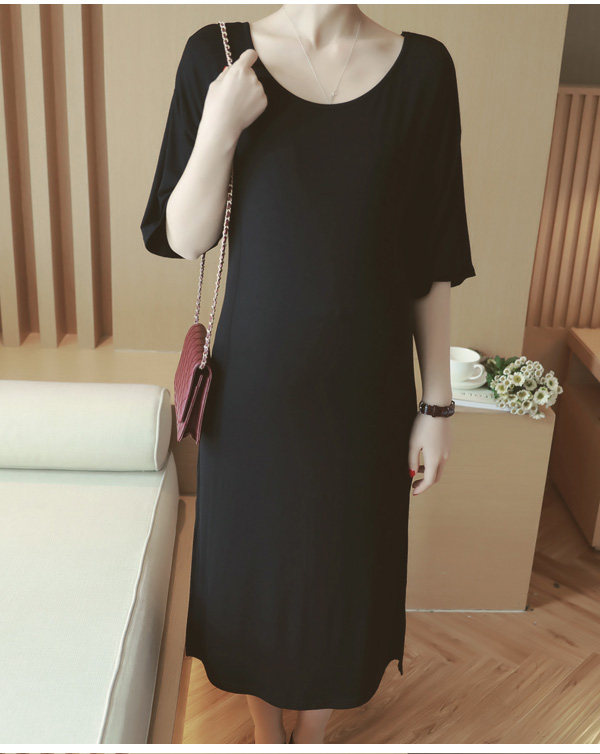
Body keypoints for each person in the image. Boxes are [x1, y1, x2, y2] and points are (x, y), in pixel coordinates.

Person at [140, 5, 476, 745]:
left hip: (366, 395)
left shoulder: (423, 70)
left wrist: (437, 407)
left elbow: (432, 258)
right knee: (257, 578)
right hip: (253, 394)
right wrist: (219, 125)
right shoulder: (219, 55)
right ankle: (268, 733)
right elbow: (185, 236)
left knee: (343, 577)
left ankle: (314, 733)